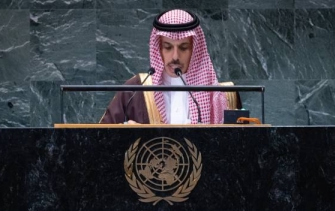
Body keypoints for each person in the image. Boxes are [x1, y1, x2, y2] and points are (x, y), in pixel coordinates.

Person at [100, 9, 239, 124]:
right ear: (158, 48)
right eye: (167, 47)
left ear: (195, 50)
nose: (175, 56)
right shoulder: (135, 90)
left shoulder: (220, 97)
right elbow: (100, 138)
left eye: (183, 48)